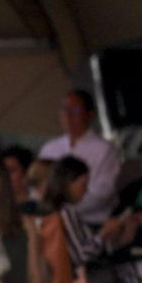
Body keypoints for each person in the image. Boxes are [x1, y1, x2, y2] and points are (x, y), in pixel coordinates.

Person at [36, 90, 122, 228]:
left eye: (75, 110)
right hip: (55, 221)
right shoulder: (50, 149)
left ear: (89, 115)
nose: (68, 115)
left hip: (91, 222)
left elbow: (103, 193)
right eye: (64, 109)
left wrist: (66, 209)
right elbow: (39, 184)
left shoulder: (104, 149)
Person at [34, 156, 101, 283]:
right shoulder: (65, 213)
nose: (85, 191)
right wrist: (103, 235)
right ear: (68, 183)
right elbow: (81, 255)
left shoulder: (43, 211)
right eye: (83, 184)